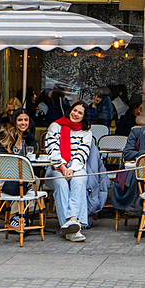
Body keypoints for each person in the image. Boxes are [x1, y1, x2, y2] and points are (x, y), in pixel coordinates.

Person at [44, 100, 93, 242]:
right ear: (70, 110)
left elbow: (83, 152)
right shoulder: (55, 126)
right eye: (75, 110)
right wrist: (63, 167)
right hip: (56, 166)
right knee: (62, 184)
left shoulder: (86, 132)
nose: (76, 114)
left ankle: (72, 221)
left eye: (80, 113)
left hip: (76, 166)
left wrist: (72, 168)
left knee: (80, 180)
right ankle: (70, 224)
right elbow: (52, 148)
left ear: (84, 116)